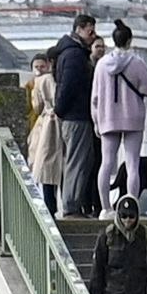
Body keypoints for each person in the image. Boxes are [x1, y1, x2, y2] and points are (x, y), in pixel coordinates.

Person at [93, 21, 147, 211]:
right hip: (133, 117)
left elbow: (95, 97)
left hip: (107, 117)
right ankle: (132, 206)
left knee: (106, 163)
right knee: (132, 164)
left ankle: (105, 208)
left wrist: (96, 121)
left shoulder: (101, 64)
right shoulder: (137, 63)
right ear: (129, 40)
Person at [51, 14, 99, 217]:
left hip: (73, 115)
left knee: (78, 160)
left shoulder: (68, 53)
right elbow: (68, 86)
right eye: (90, 30)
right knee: (77, 161)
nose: (93, 35)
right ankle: (71, 206)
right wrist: (61, 109)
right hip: (76, 115)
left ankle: (73, 204)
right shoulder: (74, 55)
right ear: (79, 28)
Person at [25, 53, 63, 216]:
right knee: (57, 167)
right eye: (37, 67)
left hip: (46, 125)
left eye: (42, 66)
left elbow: (37, 107)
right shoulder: (55, 79)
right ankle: (61, 205)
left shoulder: (38, 83)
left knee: (45, 167)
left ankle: (49, 205)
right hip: (58, 122)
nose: (40, 70)